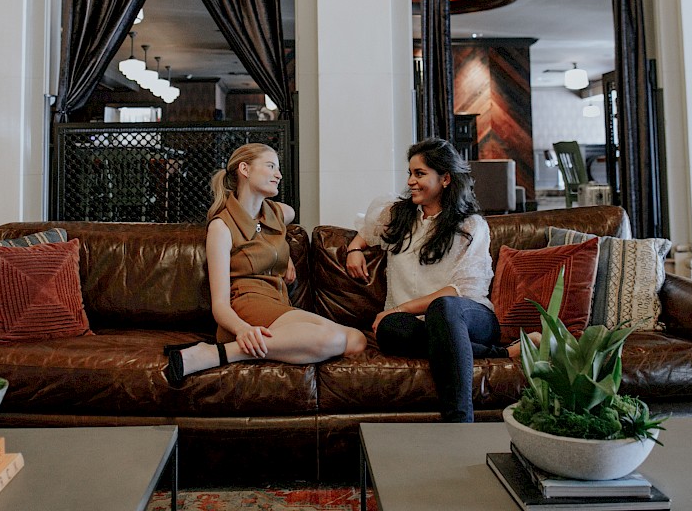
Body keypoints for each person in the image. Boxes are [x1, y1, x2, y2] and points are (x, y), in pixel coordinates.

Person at [344, 137, 538, 422]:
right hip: (417, 325)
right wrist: (354, 249)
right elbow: (368, 229)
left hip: (467, 317)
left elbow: (460, 291)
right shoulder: (399, 216)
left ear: (445, 179)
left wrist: (399, 308)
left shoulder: (470, 226)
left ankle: (459, 422)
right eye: (410, 173)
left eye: (420, 174)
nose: (410, 181)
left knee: (443, 306)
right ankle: (504, 353)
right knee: (387, 328)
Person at [164, 143, 367, 384]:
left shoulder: (274, 214)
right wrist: (242, 330)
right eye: (271, 166)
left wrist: (284, 252)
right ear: (245, 169)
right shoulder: (221, 227)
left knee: (356, 340)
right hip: (246, 306)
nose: (278, 175)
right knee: (333, 338)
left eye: (278, 168)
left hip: (277, 303)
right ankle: (215, 354)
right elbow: (220, 305)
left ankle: (229, 352)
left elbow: (288, 213)